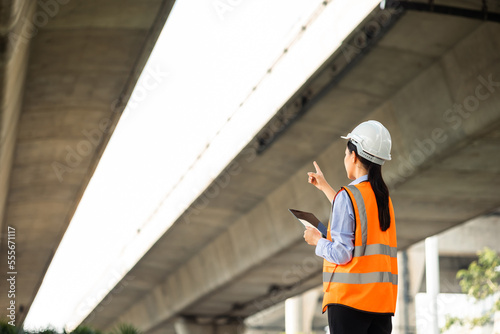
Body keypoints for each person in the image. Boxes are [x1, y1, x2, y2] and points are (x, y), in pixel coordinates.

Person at [303, 120, 398, 334]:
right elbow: (356, 216)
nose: (345, 159)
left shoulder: (349, 196)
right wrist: (325, 186)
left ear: (353, 156)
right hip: (381, 304)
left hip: (349, 303)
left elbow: (342, 253)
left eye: (346, 154)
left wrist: (317, 241)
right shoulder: (383, 198)